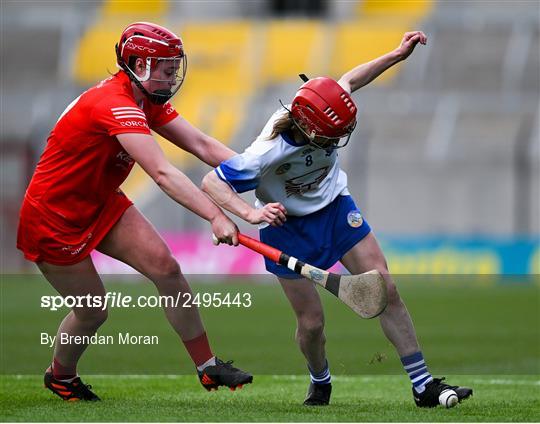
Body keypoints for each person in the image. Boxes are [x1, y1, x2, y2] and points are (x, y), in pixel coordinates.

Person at [202, 31, 473, 407]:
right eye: (332, 135)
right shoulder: (266, 153)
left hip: (335, 210)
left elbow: (350, 80)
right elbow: (211, 181)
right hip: (286, 229)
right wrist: (251, 213)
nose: (340, 137)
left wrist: (397, 54)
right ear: (309, 128)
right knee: (312, 324)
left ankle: (423, 385)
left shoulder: (323, 105)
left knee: (386, 289)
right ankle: (320, 379)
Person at [16, 22, 252, 402]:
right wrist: (215, 215)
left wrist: (261, 173)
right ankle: (61, 376)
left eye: (174, 65)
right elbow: (161, 172)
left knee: (167, 268)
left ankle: (207, 367)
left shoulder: (145, 99)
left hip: (101, 202)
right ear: (138, 64)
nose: (172, 74)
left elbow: (202, 144)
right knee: (93, 311)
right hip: (54, 219)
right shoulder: (114, 104)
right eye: (164, 66)